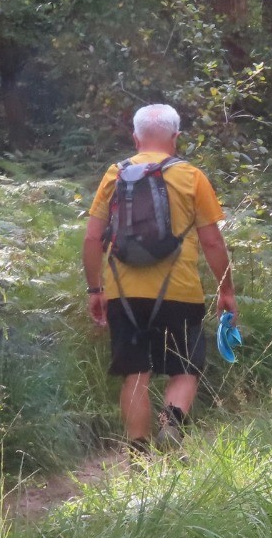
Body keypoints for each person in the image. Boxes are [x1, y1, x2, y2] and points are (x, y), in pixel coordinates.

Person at [83, 104, 237, 452]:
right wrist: (226, 289)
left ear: (135, 138)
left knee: (135, 373)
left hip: (123, 293)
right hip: (180, 292)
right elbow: (213, 242)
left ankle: (139, 456)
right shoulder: (192, 176)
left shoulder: (115, 174)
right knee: (185, 368)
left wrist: (95, 289)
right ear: (176, 138)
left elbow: (92, 238)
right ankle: (171, 424)